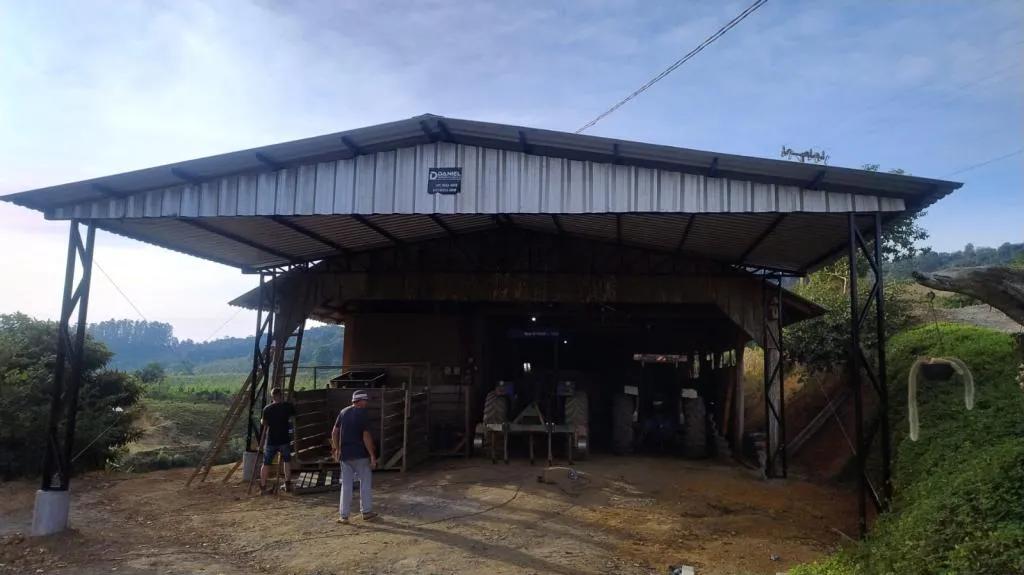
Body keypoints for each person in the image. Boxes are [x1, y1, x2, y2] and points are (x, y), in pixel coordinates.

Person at [331, 389, 377, 523]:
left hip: (345, 455)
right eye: (365, 401)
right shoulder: (362, 414)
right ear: (360, 401)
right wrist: (372, 454)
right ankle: (367, 512)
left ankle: (344, 515)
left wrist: (337, 449)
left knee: (346, 485)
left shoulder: (343, 412)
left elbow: (334, 432)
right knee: (365, 483)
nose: (366, 403)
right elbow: (366, 436)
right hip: (360, 454)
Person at [259, 387, 296, 494]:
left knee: (266, 463)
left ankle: (263, 486)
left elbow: (264, 423)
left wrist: (263, 420)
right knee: (287, 461)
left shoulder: (267, 409)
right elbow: (293, 418)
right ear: (281, 395)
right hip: (284, 438)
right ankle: (287, 484)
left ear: (272, 397)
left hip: (271, 440)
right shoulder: (288, 406)